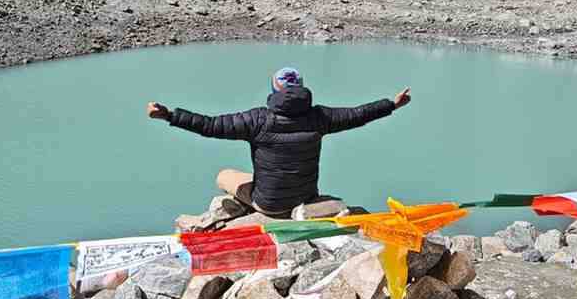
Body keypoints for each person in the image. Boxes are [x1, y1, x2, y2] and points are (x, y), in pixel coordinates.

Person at [146, 67, 411, 218]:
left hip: (270, 204)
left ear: (274, 91)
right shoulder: (320, 117)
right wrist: (392, 104)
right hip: (306, 198)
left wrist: (169, 115)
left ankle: (247, 212)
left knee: (225, 175)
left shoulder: (257, 119)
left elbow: (210, 125)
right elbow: (357, 115)